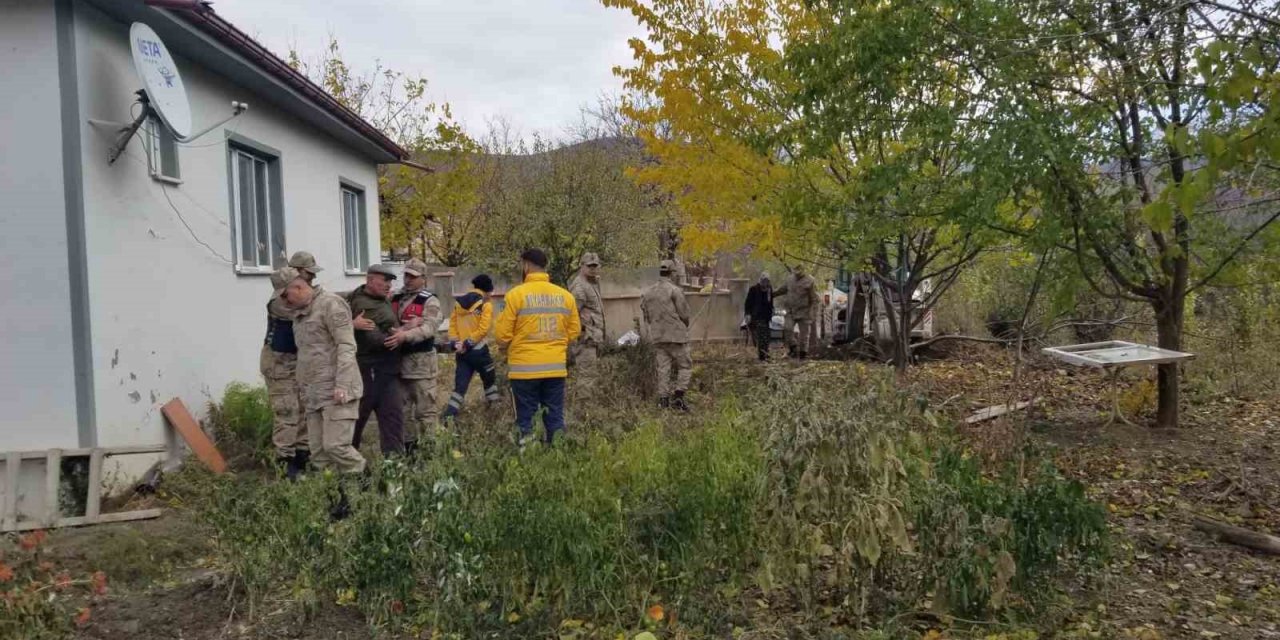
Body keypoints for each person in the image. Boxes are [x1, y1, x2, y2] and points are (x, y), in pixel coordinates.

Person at [494, 249, 581, 449]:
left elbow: (502, 335)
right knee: (555, 416)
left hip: (524, 371)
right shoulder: (565, 296)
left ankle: (530, 461)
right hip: (555, 369)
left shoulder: (515, 295)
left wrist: (505, 347)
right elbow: (574, 331)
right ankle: (558, 457)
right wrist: (556, 345)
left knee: (526, 420)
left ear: (526, 265)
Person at [283, 276, 364, 480]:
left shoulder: (331, 305)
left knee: (336, 446)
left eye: (286, 295)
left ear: (300, 287)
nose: (284, 301)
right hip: (313, 393)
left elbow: (346, 346)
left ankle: (367, 489)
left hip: (336, 390)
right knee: (319, 454)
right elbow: (306, 355)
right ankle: (335, 500)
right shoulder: (299, 314)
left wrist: (343, 384)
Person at [344, 264, 406, 456]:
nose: (388, 285)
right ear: (370, 280)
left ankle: (394, 470)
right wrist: (404, 335)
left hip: (386, 371)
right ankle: (348, 469)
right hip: (370, 372)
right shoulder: (363, 304)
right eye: (384, 280)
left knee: (393, 421)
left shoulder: (379, 299)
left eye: (390, 281)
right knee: (356, 421)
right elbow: (376, 340)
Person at [388, 259, 441, 457]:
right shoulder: (395, 297)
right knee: (401, 412)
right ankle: (409, 452)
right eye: (406, 275)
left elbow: (429, 328)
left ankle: (431, 454)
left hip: (421, 365)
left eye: (413, 276)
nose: (408, 279)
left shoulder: (430, 301)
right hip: (398, 365)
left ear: (424, 279)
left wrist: (406, 335)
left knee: (425, 411)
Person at [261, 267, 308, 479]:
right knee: (287, 412)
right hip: (279, 364)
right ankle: (285, 464)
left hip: (296, 362)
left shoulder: (299, 293)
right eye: (308, 274)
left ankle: (301, 457)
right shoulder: (280, 301)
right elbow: (309, 311)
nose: (311, 279)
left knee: (303, 410)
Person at [442, 274, 500, 420]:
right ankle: (495, 412)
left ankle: (449, 417)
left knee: (459, 388)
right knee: (490, 380)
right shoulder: (485, 304)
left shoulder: (458, 303)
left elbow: (452, 326)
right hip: (479, 351)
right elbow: (483, 329)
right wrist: (468, 343)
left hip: (462, 353)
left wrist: (457, 344)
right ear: (487, 290)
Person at [640, 260, 692, 410]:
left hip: (657, 336)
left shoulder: (648, 292)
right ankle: (679, 397)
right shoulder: (674, 290)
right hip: (676, 336)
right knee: (685, 366)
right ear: (672, 273)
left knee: (663, 368)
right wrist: (685, 325)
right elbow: (684, 313)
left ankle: (663, 401)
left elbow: (646, 315)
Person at [568, 253, 605, 369]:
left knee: (593, 377)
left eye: (595, 266)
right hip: (585, 340)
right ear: (582, 266)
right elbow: (572, 314)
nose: (593, 269)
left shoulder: (592, 283)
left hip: (594, 339)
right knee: (587, 378)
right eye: (589, 266)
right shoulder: (579, 286)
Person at [774, 266, 820, 358]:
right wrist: (771, 294)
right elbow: (782, 290)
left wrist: (813, 312)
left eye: (799, 272)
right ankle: (793, 347)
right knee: (787, 329)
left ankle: (803, 354)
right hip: (791, 310)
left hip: (804, 311)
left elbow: (815, 299)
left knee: (804, 335)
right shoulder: (790, 279)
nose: (797, 274)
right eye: (796, 272)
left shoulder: (810, 281)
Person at [744, 273, 775, 362]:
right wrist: (747, 314)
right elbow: (747, 303)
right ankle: (762, 356)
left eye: (767, 281)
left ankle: (765, 353)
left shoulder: (769, 289)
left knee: (767, 336)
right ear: (760, 281)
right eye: (763, 281)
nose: (765, 283)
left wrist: (772, 310)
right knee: (761, 336)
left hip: (766, 317)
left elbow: (771, 302)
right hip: (756, 316)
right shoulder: (753, 289)